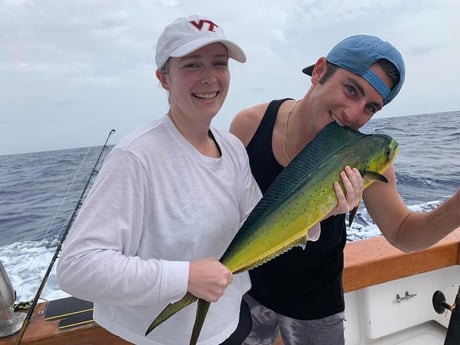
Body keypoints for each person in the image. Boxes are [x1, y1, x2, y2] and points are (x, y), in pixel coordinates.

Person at [230, 34, 460, 345]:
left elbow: (404, 233)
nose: (353, 114)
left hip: (317, 306)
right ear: (320, 71)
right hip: (247, 292)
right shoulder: (249, 125)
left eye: (370, 107)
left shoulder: (368, 158)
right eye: (351, 90)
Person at [57, 14, 262, 345]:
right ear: (164, 78)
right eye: (192, 65)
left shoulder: (233, 147)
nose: (210, 77)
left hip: (232, 322)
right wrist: (184, 277)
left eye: (219, 63)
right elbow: (77, 267)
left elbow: (257, 224)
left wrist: (320, 210)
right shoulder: (136, 156)